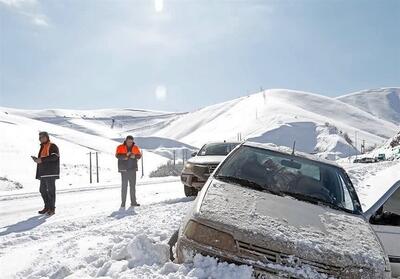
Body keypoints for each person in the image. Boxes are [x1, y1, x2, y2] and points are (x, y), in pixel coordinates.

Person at [33, 131, 60, 216]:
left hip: (51, 173)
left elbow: (55, 156)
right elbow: (43, 159)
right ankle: (47, 206)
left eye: (42, 137)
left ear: (47, 137)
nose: (41, 139)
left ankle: (52, 209)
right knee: (42, 190)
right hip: (43, 173)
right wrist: (37, 160)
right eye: (40, 137)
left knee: (51, 191)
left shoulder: (52, 145)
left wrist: (41, 160)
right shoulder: (43, 147)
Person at [116, 135, 142, 208]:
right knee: (124, 187)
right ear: (126, 141)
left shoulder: (135, 147)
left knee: (132, 187)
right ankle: (123, 203)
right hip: (124, 170)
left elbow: (139, 156)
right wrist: (125, 156)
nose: (130, 143)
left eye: (131, 142)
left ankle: (133, 202)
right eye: (128, 142)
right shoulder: (120, 147)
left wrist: (135, 156)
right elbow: (117, 156)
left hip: (132, 170)